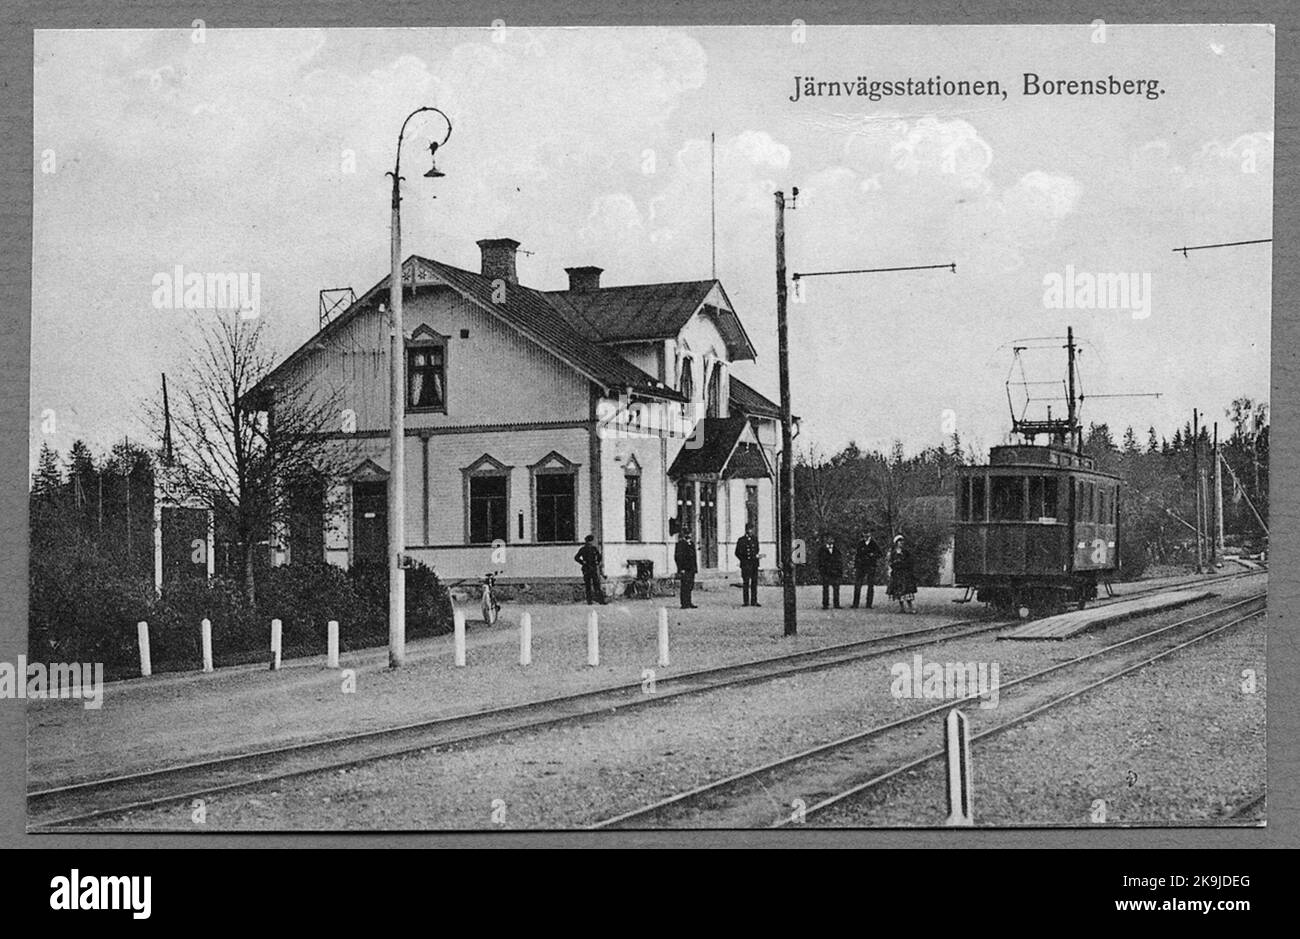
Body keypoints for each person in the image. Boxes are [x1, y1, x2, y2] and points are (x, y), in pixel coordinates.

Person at [852, 528, 882, 609]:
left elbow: (880, 554)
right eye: (864, 533)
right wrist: (855, 566)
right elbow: (857, 555)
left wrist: (873, 555)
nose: (866, 535)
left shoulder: (874, 544)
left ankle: (869, 604)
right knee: (857, 585)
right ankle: (855, 604)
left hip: (870, 566)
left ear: (870, 534)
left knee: (870, 585)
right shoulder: (860, 543)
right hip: (860, 567)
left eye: (867, 533)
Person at [888, 534, 918, 614]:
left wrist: (904, 564)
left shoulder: (906, 552)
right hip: (897, 573)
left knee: (907, 591)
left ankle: (912, 608)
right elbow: (890, 562)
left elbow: (910, 561)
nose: (901, 543)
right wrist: (894, 565)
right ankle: (902, 608)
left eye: (902, 541)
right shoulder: (893, 553)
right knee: (898, 591)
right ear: (896, 543)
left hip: (905, 573)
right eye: (899, 541)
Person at [574, 534, 606, 605]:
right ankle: (589, 601)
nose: (589, 543)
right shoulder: (583, 549)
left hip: (593, 568)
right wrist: (582, 562)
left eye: (590, 541)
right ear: (586, 542)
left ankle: (600, 600)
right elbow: (576, 557)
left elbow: (599, 556)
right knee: (588, 585)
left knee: (596, 585)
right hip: (586, 568)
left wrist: (597, 562)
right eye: (588, 541)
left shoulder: (594, 549)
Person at [735, 523, 762, 607]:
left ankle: (754, 601)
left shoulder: (755, 539)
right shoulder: (741, 540)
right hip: (746, 565)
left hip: (754, 564)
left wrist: (756, 557)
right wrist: (743, 560)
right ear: (746, 530)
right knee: (746, 583)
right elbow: (737, 553)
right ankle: (746, 601)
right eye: (749, 529)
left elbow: (757, 550)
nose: (750, 531)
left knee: (754, 583)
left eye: (751, 529)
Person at [817, 532, 843, 609]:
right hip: (826, 572)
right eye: (829, 538)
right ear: (826, 540)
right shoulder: (822, 550)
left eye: (832, 539)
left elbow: (839, 561)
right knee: (825, 588)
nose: (830, 540)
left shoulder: (836, 550)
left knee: (836, 589)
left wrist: (839, 571)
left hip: (835, 572)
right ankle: (825, 604)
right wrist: (822, 571)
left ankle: (836, 604)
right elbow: (820, 561)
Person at [675, 530, 698, 609]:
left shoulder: (691, 543)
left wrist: (695, 568)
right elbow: (678, 557)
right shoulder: (680, 544)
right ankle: (684, 603)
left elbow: (694, 557)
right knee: (685, 586)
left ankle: (689, 602)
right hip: (685, 569)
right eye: (687, 534)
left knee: (690, 586)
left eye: (690, 534)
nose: (689, 536)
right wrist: (681, 568)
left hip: (691, 569)